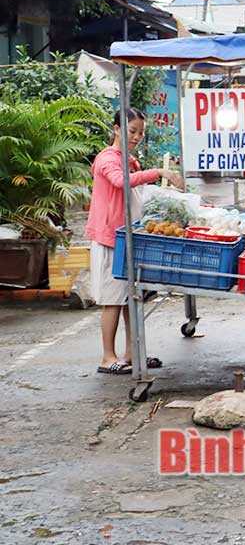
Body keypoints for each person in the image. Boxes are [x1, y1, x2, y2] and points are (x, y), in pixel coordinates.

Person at [86, 109, 184, 375]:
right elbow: (120, 182)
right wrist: (159, 171)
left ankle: (132, 352)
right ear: (117, 129)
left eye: (141, 132)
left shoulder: (129, 159)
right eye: (132, 131)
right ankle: (108, 357)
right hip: (109, 238)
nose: (138, 137)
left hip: (129, 236)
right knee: (112, 300)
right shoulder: (107, 159)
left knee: (132, 297)